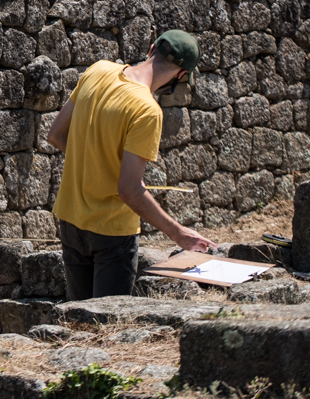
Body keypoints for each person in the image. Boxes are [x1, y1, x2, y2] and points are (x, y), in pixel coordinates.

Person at [42, 32, 215, 300]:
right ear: (181, 76)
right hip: (112, 232)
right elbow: (130, 190)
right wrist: (179, 233)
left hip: (70, 221)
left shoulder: (97, 70)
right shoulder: (146, 109)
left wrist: (94, 160)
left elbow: (55, 135)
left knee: (77, 321)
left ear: (151, 48)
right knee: (106, 328)